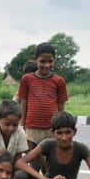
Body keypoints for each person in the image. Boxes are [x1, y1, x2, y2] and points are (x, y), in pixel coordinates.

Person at [17, 42, 69, 171]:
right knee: (34, 163)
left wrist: (61, 126)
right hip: (31, 128)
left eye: (50, 61)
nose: (46, 65)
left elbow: (61, 105)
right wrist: (22, 125)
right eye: (42, 61)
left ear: (54, 61)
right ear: (36, 60)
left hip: (51, 128)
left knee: (49, 164)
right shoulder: (27, 79)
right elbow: (24, 103)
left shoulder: (59, 81)